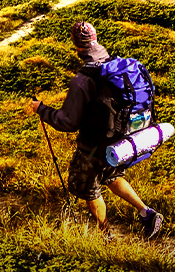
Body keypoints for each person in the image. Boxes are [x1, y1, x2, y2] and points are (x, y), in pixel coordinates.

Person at [28, 21, 163, 239]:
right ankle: (146, 213)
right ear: (95, 39)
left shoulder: (84, 80)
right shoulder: (117, 66)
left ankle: (106, 236)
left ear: (76, 45)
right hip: (122, 140)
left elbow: (68, 122)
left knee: (89, 187)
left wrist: (41, 109)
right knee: (111, 176)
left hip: (95, 145)